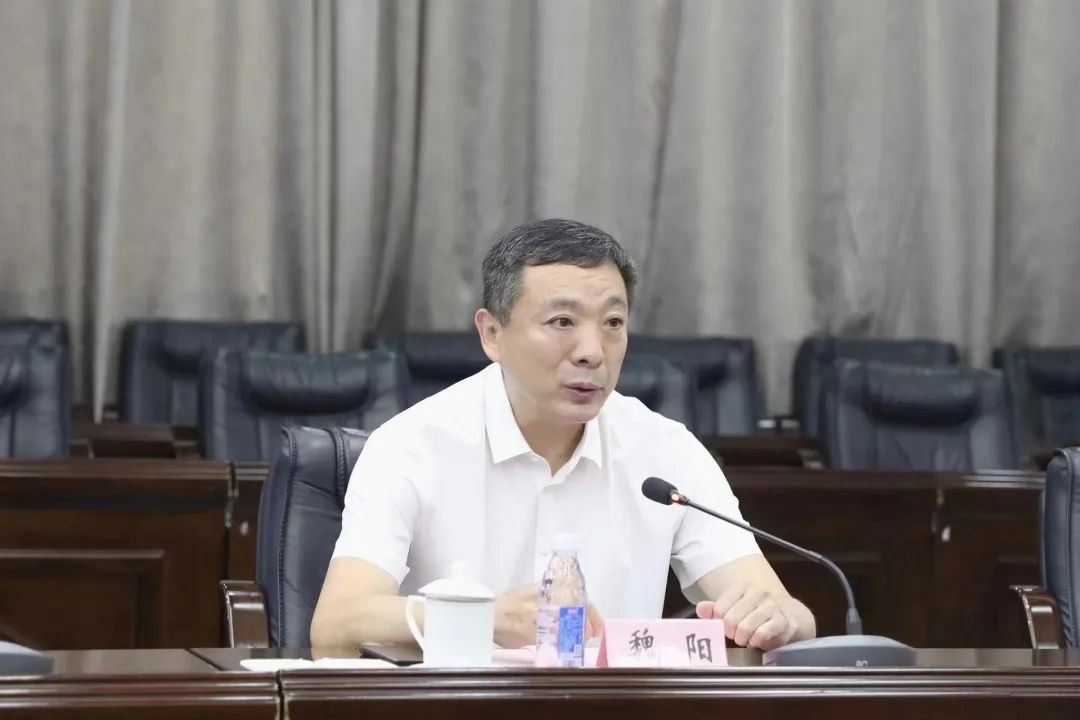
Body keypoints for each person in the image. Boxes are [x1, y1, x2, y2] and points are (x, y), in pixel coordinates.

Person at [311, 218, 815, 651]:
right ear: (492, 334)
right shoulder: (410, 446)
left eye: (613, 322)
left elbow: (785, 611)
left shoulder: (667, 452)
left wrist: (782, 620)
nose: (592, 351)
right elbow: (336, 624)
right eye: (562, 321)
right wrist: (483, 619)